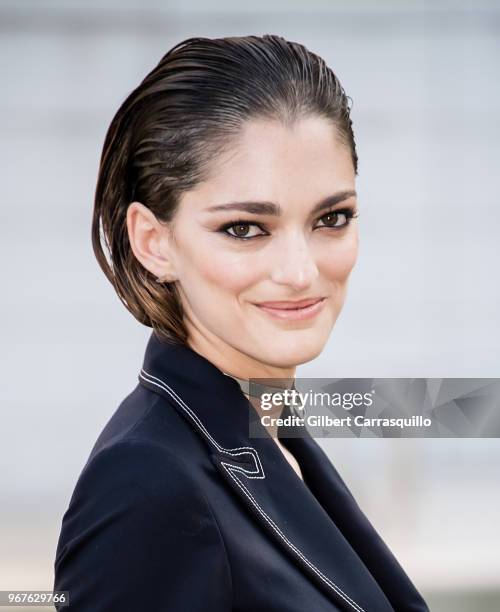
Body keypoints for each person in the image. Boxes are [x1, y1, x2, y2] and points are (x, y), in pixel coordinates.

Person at [53, 34, 430, 611]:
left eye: (332, 218)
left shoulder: (274, 433)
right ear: (154, 242)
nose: (301, 272)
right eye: (245, 228)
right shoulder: (146, 485)